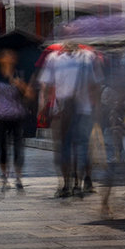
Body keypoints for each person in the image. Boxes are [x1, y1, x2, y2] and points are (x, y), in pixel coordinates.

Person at [38, 41, 102, 198]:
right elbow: (46, 86)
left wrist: (42, 108)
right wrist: (43, 106)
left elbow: (95, 85)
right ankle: (72, 183)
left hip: (76, 110)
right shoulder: (56, 58)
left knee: (76, 147)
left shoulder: (85, 57)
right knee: (71, 147)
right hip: (65, 110)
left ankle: (75, 182)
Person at [0, 48, 33, 193]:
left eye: (11, 55)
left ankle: (18, 178)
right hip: (1, 116)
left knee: (18, 148)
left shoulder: (19, 74)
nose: (9, 57)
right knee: (3, 149)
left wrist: (19, 84)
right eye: (5, 55)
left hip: (17, 116)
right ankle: (4, 177)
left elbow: (29, 94)